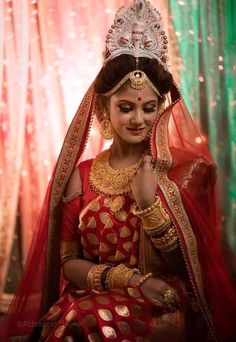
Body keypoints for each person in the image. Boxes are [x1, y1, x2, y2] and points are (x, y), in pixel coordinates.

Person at [1, 0, 236, 341]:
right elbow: (69, 263)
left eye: (149, 108)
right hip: (91, 298)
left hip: (160, 300)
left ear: (161, 109)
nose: (138, 120)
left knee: (83, 325)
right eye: (126, 108)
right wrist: (131, 280)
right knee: (67, 323)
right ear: (104, 108)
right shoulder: (81, 176)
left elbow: (191, 267)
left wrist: (150, 205)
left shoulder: (185, 171)